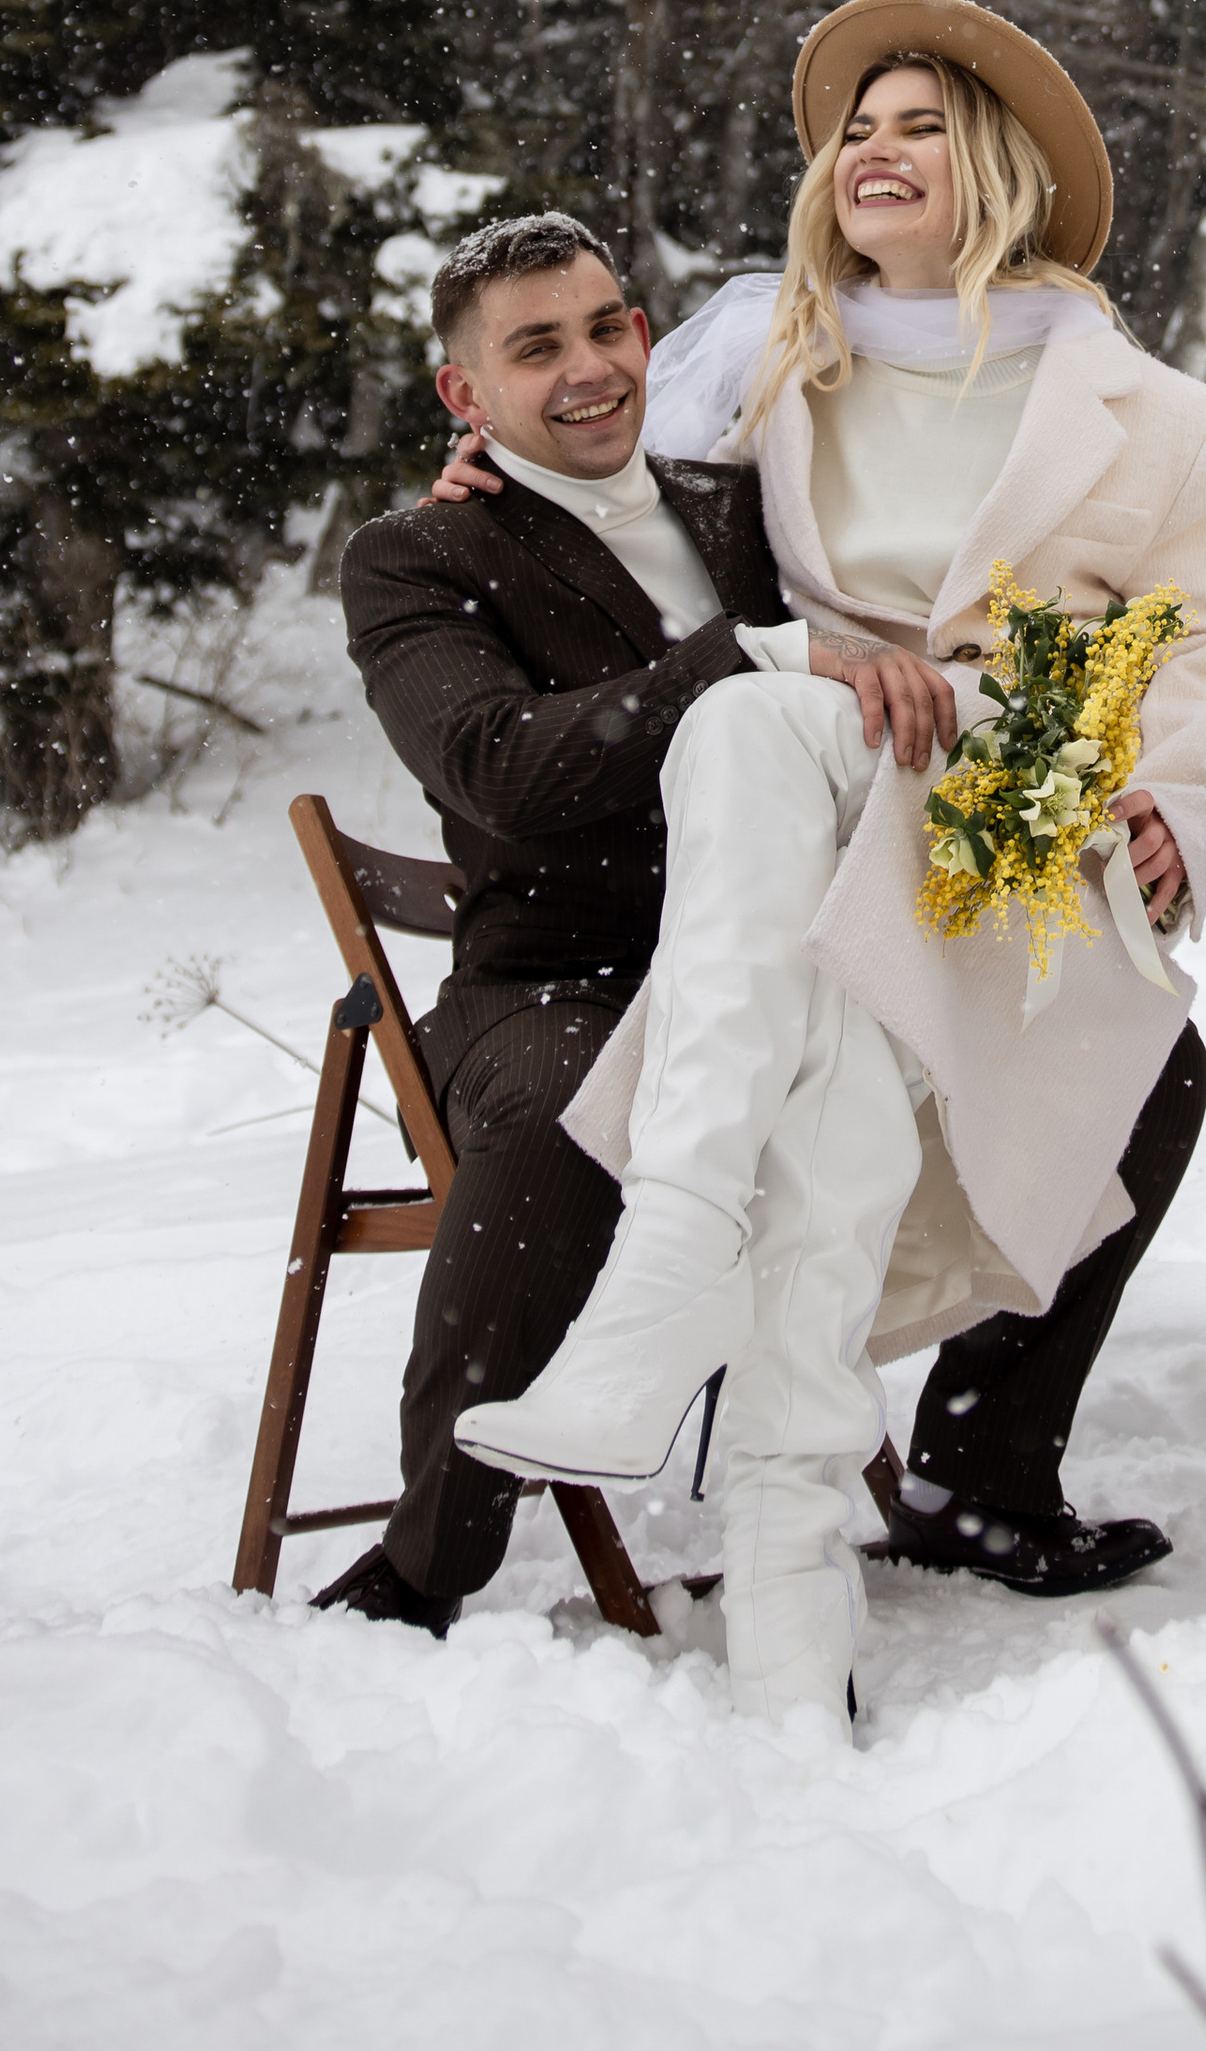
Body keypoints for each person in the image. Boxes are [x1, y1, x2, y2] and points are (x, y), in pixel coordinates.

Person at [433, 0, 1206, 1735]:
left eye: (917, 126)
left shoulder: (1160, 416)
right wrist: (486, 478)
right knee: (762, 746)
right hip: (799, 815)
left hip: (997, 812)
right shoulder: (763, 357)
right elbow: (582, 457)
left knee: (1063, 1062)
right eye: (853, 129)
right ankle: (796, 1552)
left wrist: (1183, 803)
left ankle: (744, 1336)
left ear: (999, 171)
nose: (873, 152)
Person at [321, 214, 954, 1642]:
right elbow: (498, 767)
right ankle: (432, 1556)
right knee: (570, 1113)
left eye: (608, 328)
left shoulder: (738, 509)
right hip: (557, 980)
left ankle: (984, 1482)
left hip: (793, 957)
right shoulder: (419, 556)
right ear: (463, 395)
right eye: (534, 348)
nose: (591, 368)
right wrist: (741, 659)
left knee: (1145, 1065)